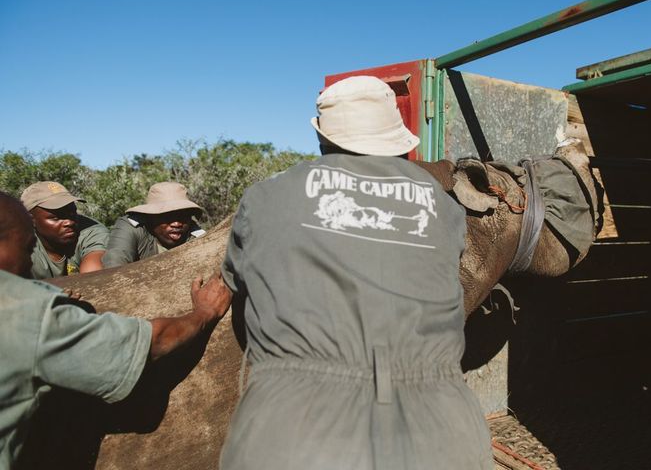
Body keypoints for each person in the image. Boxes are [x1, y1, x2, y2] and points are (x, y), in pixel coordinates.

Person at [219, 76, 491, 469]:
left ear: (323, 141)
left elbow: (236, 281)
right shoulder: (445, 207)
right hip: (440, 425)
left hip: (295, 427)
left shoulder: (267, 195)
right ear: (395, 138)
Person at [0, 191, 232, 469]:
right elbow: (152, 342)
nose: (28, 261)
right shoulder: (22, 311)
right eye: (27, 248)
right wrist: (205, 313)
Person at [102, 182, 206, 268]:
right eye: (168, 216)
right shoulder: (132, 228)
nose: (176, 224)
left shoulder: (197, 237)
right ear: (151, 216)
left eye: (183, 216)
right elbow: (113, 268)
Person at [20, 181, 109, 279]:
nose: (69, 222)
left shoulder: (91, 230)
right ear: (30, 220)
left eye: (72, 213)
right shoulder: (17, 243)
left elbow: (93, 278)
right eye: (56, 218)